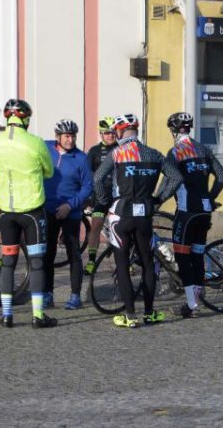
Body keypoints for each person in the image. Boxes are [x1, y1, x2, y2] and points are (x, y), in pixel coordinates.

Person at [92, 113, 179, 328]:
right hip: (144, 215)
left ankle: (130, 316)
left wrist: (105, 201)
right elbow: (176, 177)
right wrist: (158, 199)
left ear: (120, 131)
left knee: (122, 265)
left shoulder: (116, 153)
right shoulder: (154, 154)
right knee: (148, 264)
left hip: (120, 215)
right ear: (136, 130)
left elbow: (97, 178)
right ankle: (149, 313)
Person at [0, 98, 57, 329]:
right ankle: (38, 315)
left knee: (8, 262)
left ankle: (7, 315)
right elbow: (49, 172)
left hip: (6, 212)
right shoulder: (36, 143)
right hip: (31, 210)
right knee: (36, 263)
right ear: (25, 119)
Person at [163, 112, 223, 319]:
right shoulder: (204, 149)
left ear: (173, 130)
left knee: (182, 257)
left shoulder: (174, 153)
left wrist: (156, 200)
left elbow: (170, 181)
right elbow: (222, 176)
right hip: (204, 212)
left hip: (186, 212)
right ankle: (196, 299)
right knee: (197, 255)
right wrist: (210, 197)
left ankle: (191, 304)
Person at [43, 119, 93, 310]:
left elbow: (87, 186)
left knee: (74, 254)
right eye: (66, 136)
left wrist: (70, 205)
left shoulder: (81, 158)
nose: (70, 140)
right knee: (48, 253)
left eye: (73, 136)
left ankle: (75, 296)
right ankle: (48, 294)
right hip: (48, 209)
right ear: (57, 137)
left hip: (70, 211)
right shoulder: (46, 148)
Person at [84, 115, 118, 274]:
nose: (110, 136)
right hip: (100, 197)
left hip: (118, 196)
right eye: (107, 133)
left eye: (112, 132)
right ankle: (91, 261)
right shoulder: (94, 151)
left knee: (120, 229)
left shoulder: (121, 148)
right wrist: (88, 197)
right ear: (101, 134)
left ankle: (125, 261)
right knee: (96, 225)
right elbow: (87, 174)